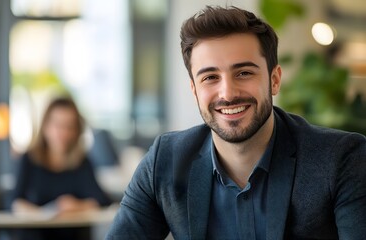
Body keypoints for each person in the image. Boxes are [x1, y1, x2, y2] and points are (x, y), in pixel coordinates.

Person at [106, 6, 366, 240]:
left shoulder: (340, 158)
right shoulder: (165, 160)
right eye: (210, 77)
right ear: (195, 89)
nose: (228, 93)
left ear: (274, 80)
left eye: (243, 73)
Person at [11, 97, 113, 240]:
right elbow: (15, 202)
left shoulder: (82, 162)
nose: (63, 133)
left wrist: (77, 206)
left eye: (69, 126)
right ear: (45, 126)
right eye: (57, 125)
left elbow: (101, 200)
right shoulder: (29, 160)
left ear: (77, 130)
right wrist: (40, 214)